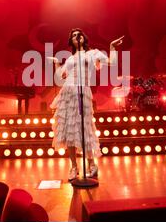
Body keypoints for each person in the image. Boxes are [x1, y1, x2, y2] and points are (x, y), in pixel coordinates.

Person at [50, 29, 124, 181]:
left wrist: (112, 47)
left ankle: (91, 164)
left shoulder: (92, 54)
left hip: (82, 90)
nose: (77, 36)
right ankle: (74, 167)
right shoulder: (70, 58)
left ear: (84, 38)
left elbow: (112, 62)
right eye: (73, 35)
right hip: (67, 92)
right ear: (71, 40)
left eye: (80, 34)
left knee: (85, 128)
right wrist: (57, 64)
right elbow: (59, 78)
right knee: (68, 130)